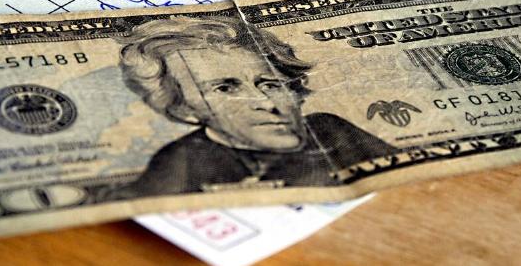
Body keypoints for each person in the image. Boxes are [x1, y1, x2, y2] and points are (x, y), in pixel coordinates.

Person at [115, 15, 394, 197]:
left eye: (271, 84)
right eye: (225, 88)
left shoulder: (332, 130)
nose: (265, 102)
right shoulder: (178, 166)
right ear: (182, 108)